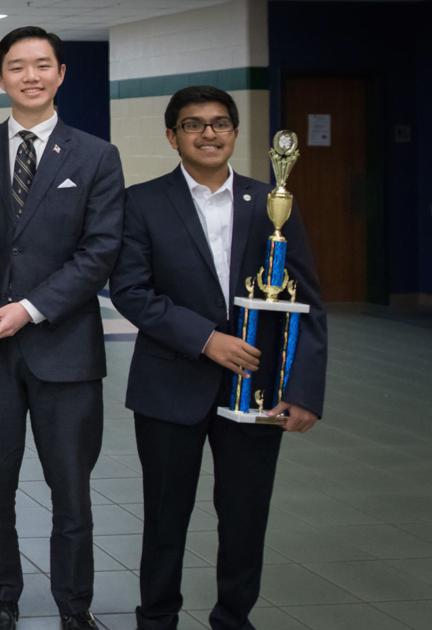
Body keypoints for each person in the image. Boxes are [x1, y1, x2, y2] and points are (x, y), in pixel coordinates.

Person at [109, 86, 327, 630]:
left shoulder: (273, 202)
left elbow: (306, 303)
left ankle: (234, 618)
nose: (209, 133)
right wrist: (207, 339)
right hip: (170, 383)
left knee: (245, 515)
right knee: (165, 515)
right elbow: (131, 291)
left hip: (256, 387)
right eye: (193, 124)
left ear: (233, 131)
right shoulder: (142, 202)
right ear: (172, 136)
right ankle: (157, 618)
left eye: (220, 123)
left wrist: (302, 390)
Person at [0, 26, 125, 630]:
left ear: (61, 74)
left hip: (64, 350)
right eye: (17, 67)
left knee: (70, 492)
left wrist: (30, 308)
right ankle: (2, 599)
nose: (30, 76)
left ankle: (76, 608)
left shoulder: (96, 155)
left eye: (42, 65)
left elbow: (99, 251)